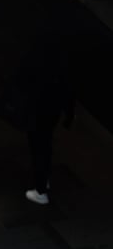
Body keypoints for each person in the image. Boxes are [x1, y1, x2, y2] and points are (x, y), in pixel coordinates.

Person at [19, 33, 75, 205]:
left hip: (37, 111)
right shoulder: (61, 66)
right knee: (45, 145)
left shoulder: (36, 63)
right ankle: (43, 180)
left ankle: (41, 187)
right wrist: (68, 115)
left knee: (38, 148)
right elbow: (68, 91)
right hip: (52, 112)